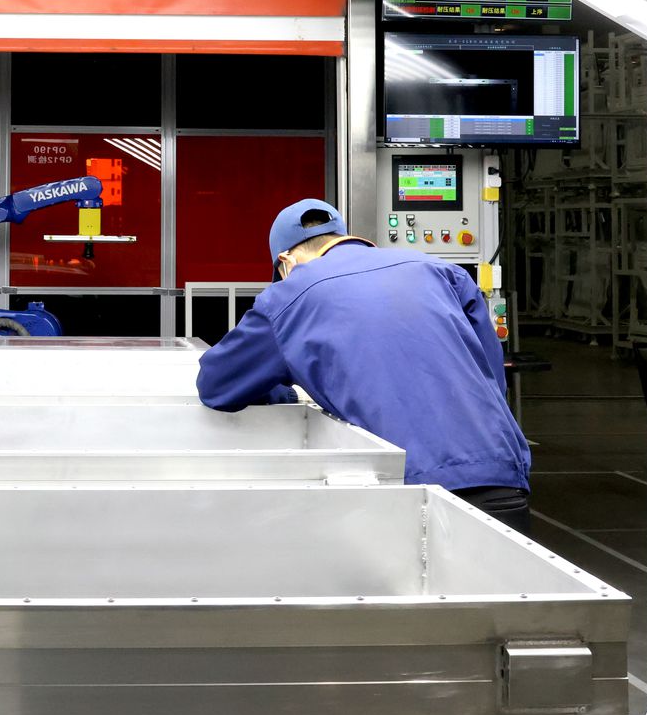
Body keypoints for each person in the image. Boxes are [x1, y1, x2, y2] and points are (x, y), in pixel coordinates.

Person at [195, 197, 533, 532]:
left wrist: (281, 394)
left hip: (405, 491)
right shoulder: (441, 270)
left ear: (285, 261)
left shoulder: (289, 296)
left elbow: (216, 383)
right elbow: (490, 373)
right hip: (499, 476)